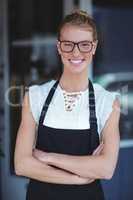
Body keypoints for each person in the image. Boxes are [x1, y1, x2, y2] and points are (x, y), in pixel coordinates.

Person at [14, 9, 120, 200]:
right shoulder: (35, 97)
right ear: (59, 47)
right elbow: (22, 165)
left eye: (85, 45)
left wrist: (48, 158)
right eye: (68, 44)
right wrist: (78, 177)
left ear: (94, 47)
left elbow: (106, 169)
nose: (76, 52)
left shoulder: (108, 102)